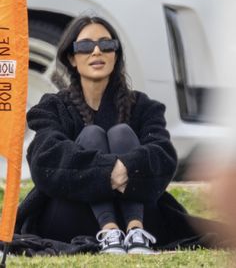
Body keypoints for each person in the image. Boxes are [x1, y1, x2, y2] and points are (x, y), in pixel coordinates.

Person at [15, 15, 224, 255]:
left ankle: (136, 233)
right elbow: (45, 159)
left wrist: (124, 169)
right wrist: (107, 172)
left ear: (116, 54)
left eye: (106, 44)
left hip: (142, 220)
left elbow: (163, 156)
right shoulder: (52, 107)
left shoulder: (143, 107)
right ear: (72, 58)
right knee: (91, 134)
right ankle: (110, 231)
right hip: (72, 217)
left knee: (122, 133)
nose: (96, 52)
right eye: (85, 46)